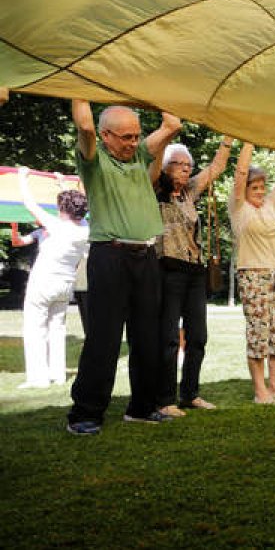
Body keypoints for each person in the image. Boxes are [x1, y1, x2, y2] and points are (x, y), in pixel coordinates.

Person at [67, 101, 180, 436]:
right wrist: (78, 84)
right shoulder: (94, 161)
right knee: (104, 337)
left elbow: (172, 125)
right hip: (109, 255)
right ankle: (85, 413)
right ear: (106, 136)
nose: (134, 142)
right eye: (126, 137)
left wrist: (143, 94)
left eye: (136, 136)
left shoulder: (141, 157)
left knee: (148, 336)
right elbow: (85, 127)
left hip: (145, 256)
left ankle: (142, 408)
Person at [150, 139, 232, 415]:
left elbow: (217, 167)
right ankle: (164, 399)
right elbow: (152, 160)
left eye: (188, 165)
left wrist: (228, 137)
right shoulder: (154, 188)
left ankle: (190, 394)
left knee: (198, 335)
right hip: (167, 268)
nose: (185, 169)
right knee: (169, 338)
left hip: (194, 271)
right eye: (178, 164)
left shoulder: (190, 192)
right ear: (165, 166)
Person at [230, 142, 275, 405]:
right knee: (259, 332)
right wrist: (248, 139)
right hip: (253, 275)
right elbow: (240, 172)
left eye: (262, 187)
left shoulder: (269, 206)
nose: (260, 191)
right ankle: (260, 391)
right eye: (254, 187)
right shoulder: (239, 209)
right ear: (244, 190)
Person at [16, 167, 89, 389]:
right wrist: (62, 184)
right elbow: (75, 204)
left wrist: (22, 177)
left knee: (35, 328)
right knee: (57, 327)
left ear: (62, 209)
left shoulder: (57, 225)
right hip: (65, 286)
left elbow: (29, 203)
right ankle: (57, 375)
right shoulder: (85, 228)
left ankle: (38, 379)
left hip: (44, 284)